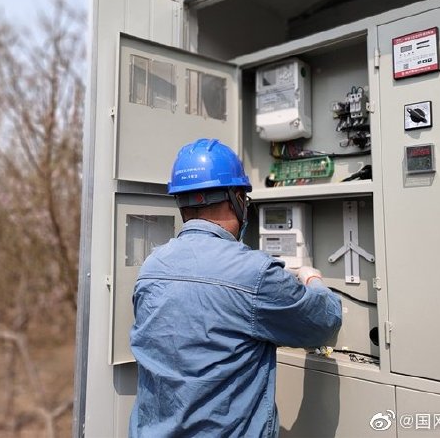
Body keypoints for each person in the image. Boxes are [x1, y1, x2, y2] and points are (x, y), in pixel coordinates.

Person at [129, 138, 342, 437]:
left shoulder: (151, 267)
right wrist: (311, 279)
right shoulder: (254, 273)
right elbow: (323, 322)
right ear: (238, 198)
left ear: (180, 202)